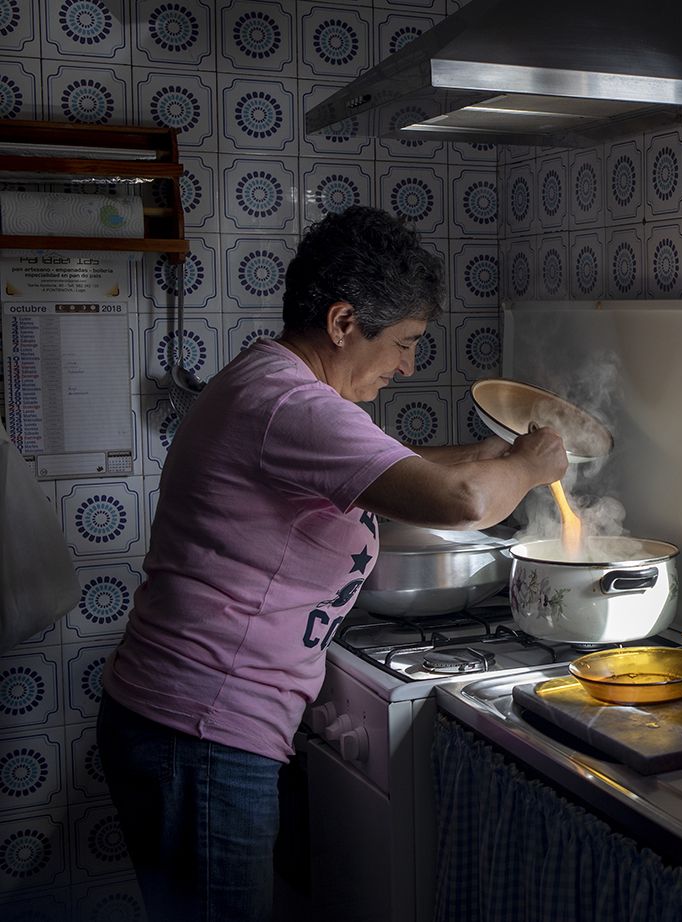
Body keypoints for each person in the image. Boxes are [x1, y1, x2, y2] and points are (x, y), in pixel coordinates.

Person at [96, 206, 567, 922]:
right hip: (201, 731)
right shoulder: (291, 402)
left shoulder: (272, 383)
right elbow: (467, 503)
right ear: (344, 322)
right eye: (406, 342)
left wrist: (485, 454)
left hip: (187, 722)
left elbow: (391, 472)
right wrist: (528, 466)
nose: (409, 365)